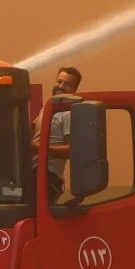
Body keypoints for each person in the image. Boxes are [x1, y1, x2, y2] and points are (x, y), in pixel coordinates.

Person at [44, 65, 83, 203]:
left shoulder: (68, 114)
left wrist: (38, 148)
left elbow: (72, 151)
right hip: (35, 174)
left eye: (67, 84)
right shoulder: (47, 110)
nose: (61, 86)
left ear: (75, 90)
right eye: (59, 81)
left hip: (48, 177)